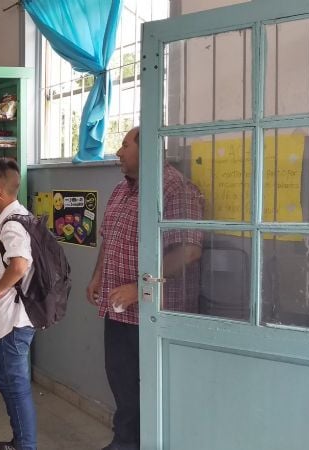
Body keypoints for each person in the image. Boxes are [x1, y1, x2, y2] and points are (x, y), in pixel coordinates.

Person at [86, 127, 204, 450]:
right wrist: (98, 275)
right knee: (122, 381)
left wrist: (140, 290)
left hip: (152, 313)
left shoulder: (175, 190)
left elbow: (190, 251)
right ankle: (124, 441)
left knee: (149, 387)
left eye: (124, 145)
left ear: (148, 149)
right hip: (118, 309)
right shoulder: (121, 191)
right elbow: (108, 237)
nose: (119, 152)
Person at [0, 159, 37, 450]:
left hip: (16, 318)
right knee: (1, 374)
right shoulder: (18, 216)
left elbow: (20, 265)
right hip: (17, 316)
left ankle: (25, 445)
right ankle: (21, 441)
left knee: (16, 384)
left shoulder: (12, 225)